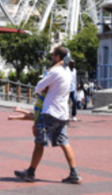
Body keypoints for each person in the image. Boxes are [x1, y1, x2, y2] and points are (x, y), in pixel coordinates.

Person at [15, 46, 82, 185]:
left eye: (53, 55)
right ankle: (74, 173)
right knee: (64, 142)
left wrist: (47, 82)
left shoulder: (55, 71)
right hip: (63, 114)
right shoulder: (68, 71)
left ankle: (30, 172)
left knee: (39, 143)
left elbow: (38, 87)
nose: (51, 57)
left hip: (50, 112)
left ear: (58, 57)